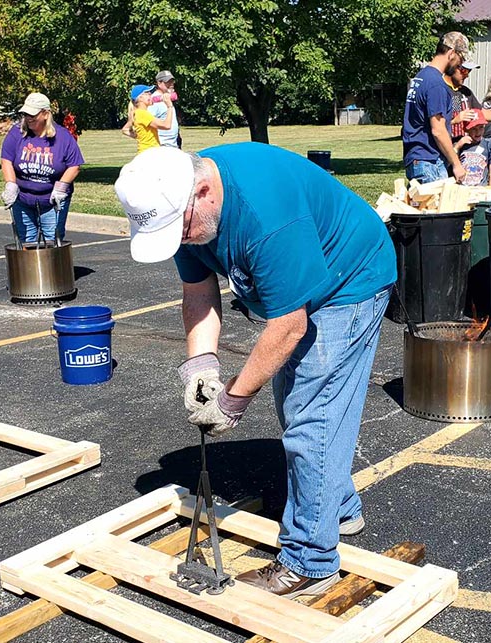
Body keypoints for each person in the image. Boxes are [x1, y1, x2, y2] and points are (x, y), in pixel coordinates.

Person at [114, 144, 396, 598]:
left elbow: (288, 327)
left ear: (203, 192)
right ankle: (338, 509)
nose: (180, 239)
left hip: (351, 281)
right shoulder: (185, 211)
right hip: (303, 284)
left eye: (179, 229)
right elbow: (199, 293)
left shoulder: (266, 217)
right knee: (300, 412)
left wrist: (232, 400)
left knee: (312, 417)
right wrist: (201, 367)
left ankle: (310, 561)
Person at [0, 93, 84, 243]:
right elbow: (6, 160)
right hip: (23, 199)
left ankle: (52, 267)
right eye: (26, 114)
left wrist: (61, 187)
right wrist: (11, 184)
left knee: (53, 242)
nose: (28, 118)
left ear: (46, 114)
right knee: (26, 242)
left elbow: (74, 165)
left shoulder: (63, 137)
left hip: (52, 200)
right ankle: (29, 267)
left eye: (33, 114)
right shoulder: (16, 133)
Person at [403, 32, 471, 183]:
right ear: (452, 53)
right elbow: (438, 130)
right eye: (460, 59)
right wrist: (456, 164)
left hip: (417, 158)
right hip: (429, 162)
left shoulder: (421, 77)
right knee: (438, 206)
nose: (459, 65)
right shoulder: (436, 84)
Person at [121, 84, 174, 154]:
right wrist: (169, 106)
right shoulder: (143, 114)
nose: (151, 96)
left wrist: (139, 137)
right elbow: (167, 125)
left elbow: (125, 129)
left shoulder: (138, 113)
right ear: (140, 98)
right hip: (149, 154)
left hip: (145, 152)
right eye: (148, 94)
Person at [454, 114, 491, 186]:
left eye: (481, 127)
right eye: (474, 129)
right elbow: (450, 161)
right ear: (467, 129)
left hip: (480, 188)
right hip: (462, 187)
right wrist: (458, 146)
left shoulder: (487, 144)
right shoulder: (460, 142)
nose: (478, 132)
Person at [150, 70, 181, 149]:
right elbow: (148, 123)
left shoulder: (166, 98)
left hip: (173, 144)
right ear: (159, 83)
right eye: (168, 82)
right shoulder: (154, 101)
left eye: (172, 81)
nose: (171, 84)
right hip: (162, 145)